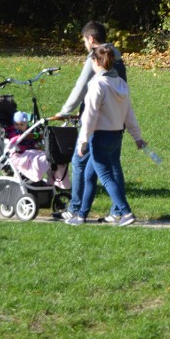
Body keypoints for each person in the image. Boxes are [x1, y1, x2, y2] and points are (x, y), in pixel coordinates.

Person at [53, 21, 127, 223]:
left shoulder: (96, 57)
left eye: (85, 40)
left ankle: (76, 209)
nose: (85, 44)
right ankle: (117, 211)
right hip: (117, 120)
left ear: (91, 39)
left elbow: (81, 87)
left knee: (79, 162)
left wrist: (65, 111)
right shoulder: (116, 56)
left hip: (97, 123)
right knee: (112, 166)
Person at [65, 45, 145, 227]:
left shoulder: (97, 84)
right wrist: (137, 137)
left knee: (106, 177)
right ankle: (81, 215)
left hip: (99, 137)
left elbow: (90, 115)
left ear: (96, 62)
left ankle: (126, 212)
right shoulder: (121, 84)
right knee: (89, 175)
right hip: (116, 137)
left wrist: (83, 141)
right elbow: (128, 113)